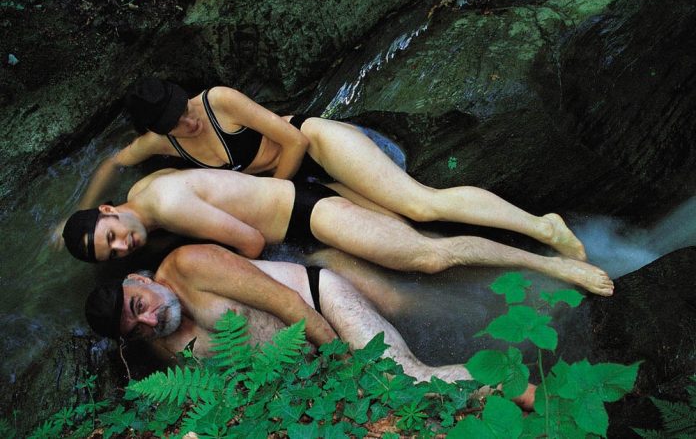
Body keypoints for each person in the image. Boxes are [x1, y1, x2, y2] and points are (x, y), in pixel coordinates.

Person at [52, 77, 585, 266]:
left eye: (183, 108)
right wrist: (76, 214)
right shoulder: (156, 145)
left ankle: (543, 226)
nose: (187, 121)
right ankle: (517, 259)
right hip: (297, 188)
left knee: (420, 204)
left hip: (316, 150)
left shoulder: (218, 101)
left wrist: (272, 189)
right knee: (407, 234)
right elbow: (111, 162)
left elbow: (295, 140)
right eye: (175, 122)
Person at [84, 243, 536, 408]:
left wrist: (344, 365)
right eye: (136, 328)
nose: (150, 319)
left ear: (141, 280)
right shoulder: (161, 344)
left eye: (140, 304)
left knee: (406, 383)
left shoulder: (189, 264)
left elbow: (287, 302)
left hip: (322, 304)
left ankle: (531, 394)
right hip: (303, 368)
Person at [63, 168, 614, 296]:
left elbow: (250, 244)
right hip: (296, 223)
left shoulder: (165, 203)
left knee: (428, 257)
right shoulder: (142, 198)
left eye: (111, 235)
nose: (122, 246)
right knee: (402, 284)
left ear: (109, 210)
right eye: (111, 253)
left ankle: (549, 260)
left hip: (308, 214)